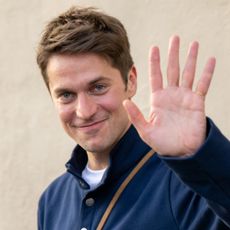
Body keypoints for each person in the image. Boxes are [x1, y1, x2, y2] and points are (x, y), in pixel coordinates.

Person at [36, 6, 230, 230]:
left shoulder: (186, 182)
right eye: (66, 95)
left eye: (98, 87)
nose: (84, 111)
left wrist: (201, 155)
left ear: (131, 81)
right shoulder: (52, 201)